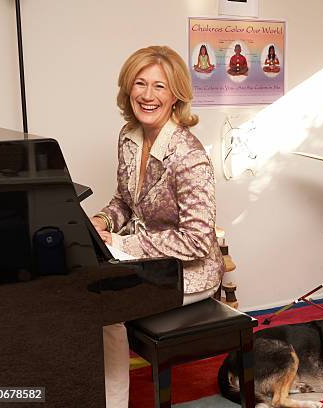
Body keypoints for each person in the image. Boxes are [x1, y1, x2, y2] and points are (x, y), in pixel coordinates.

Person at [90, 45, 224, 408]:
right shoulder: (128, 137)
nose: (148, 95)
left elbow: (197, 241)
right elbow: (124, 200)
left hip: (190, 271)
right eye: (140, 83)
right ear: (127, 88)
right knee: (81, 291)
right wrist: (99, 222)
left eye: (160, 87)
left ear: (176, 95)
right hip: (147, 258)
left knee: (105, 307)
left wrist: (122, 244)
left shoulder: (190, 155)